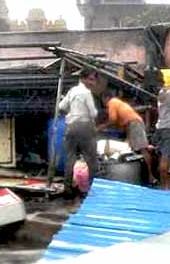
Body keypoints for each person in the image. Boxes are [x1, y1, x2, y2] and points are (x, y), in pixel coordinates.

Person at [59, 69, 99, 198]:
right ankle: (92, 188)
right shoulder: (86, 92)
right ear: (83, 79)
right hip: (85, 126)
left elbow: (61, 107)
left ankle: (68, 189)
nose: (93, 82)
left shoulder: (72, 91)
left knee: (70, 158)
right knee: (91, 158)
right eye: (91, 79)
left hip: (70, 127)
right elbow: (93, 113)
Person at [100, 93, 157, 185]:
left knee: (142, 149)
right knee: (132, 149)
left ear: (106, 98)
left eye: (103, 101)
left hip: (134, 124)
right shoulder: (118, 103)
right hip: (131, 125)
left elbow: (112, 119)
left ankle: (151, 176)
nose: (104, 104)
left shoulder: (112, 102)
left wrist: (100, 127)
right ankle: (144, 175)